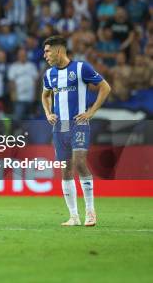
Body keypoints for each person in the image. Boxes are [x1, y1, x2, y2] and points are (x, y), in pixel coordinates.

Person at [41, 35, 112, 227]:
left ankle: (90, 212)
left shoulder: (81, 68)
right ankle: (74, 216)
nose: (45, 55)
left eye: (47, 51)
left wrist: (91, 112)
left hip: (78, 123)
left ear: (58, 50)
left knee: (80, 163)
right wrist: (48, 113)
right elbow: (45, 95)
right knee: (66, 169)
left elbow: (105, 87)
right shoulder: (49, 75)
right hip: (60, 126)